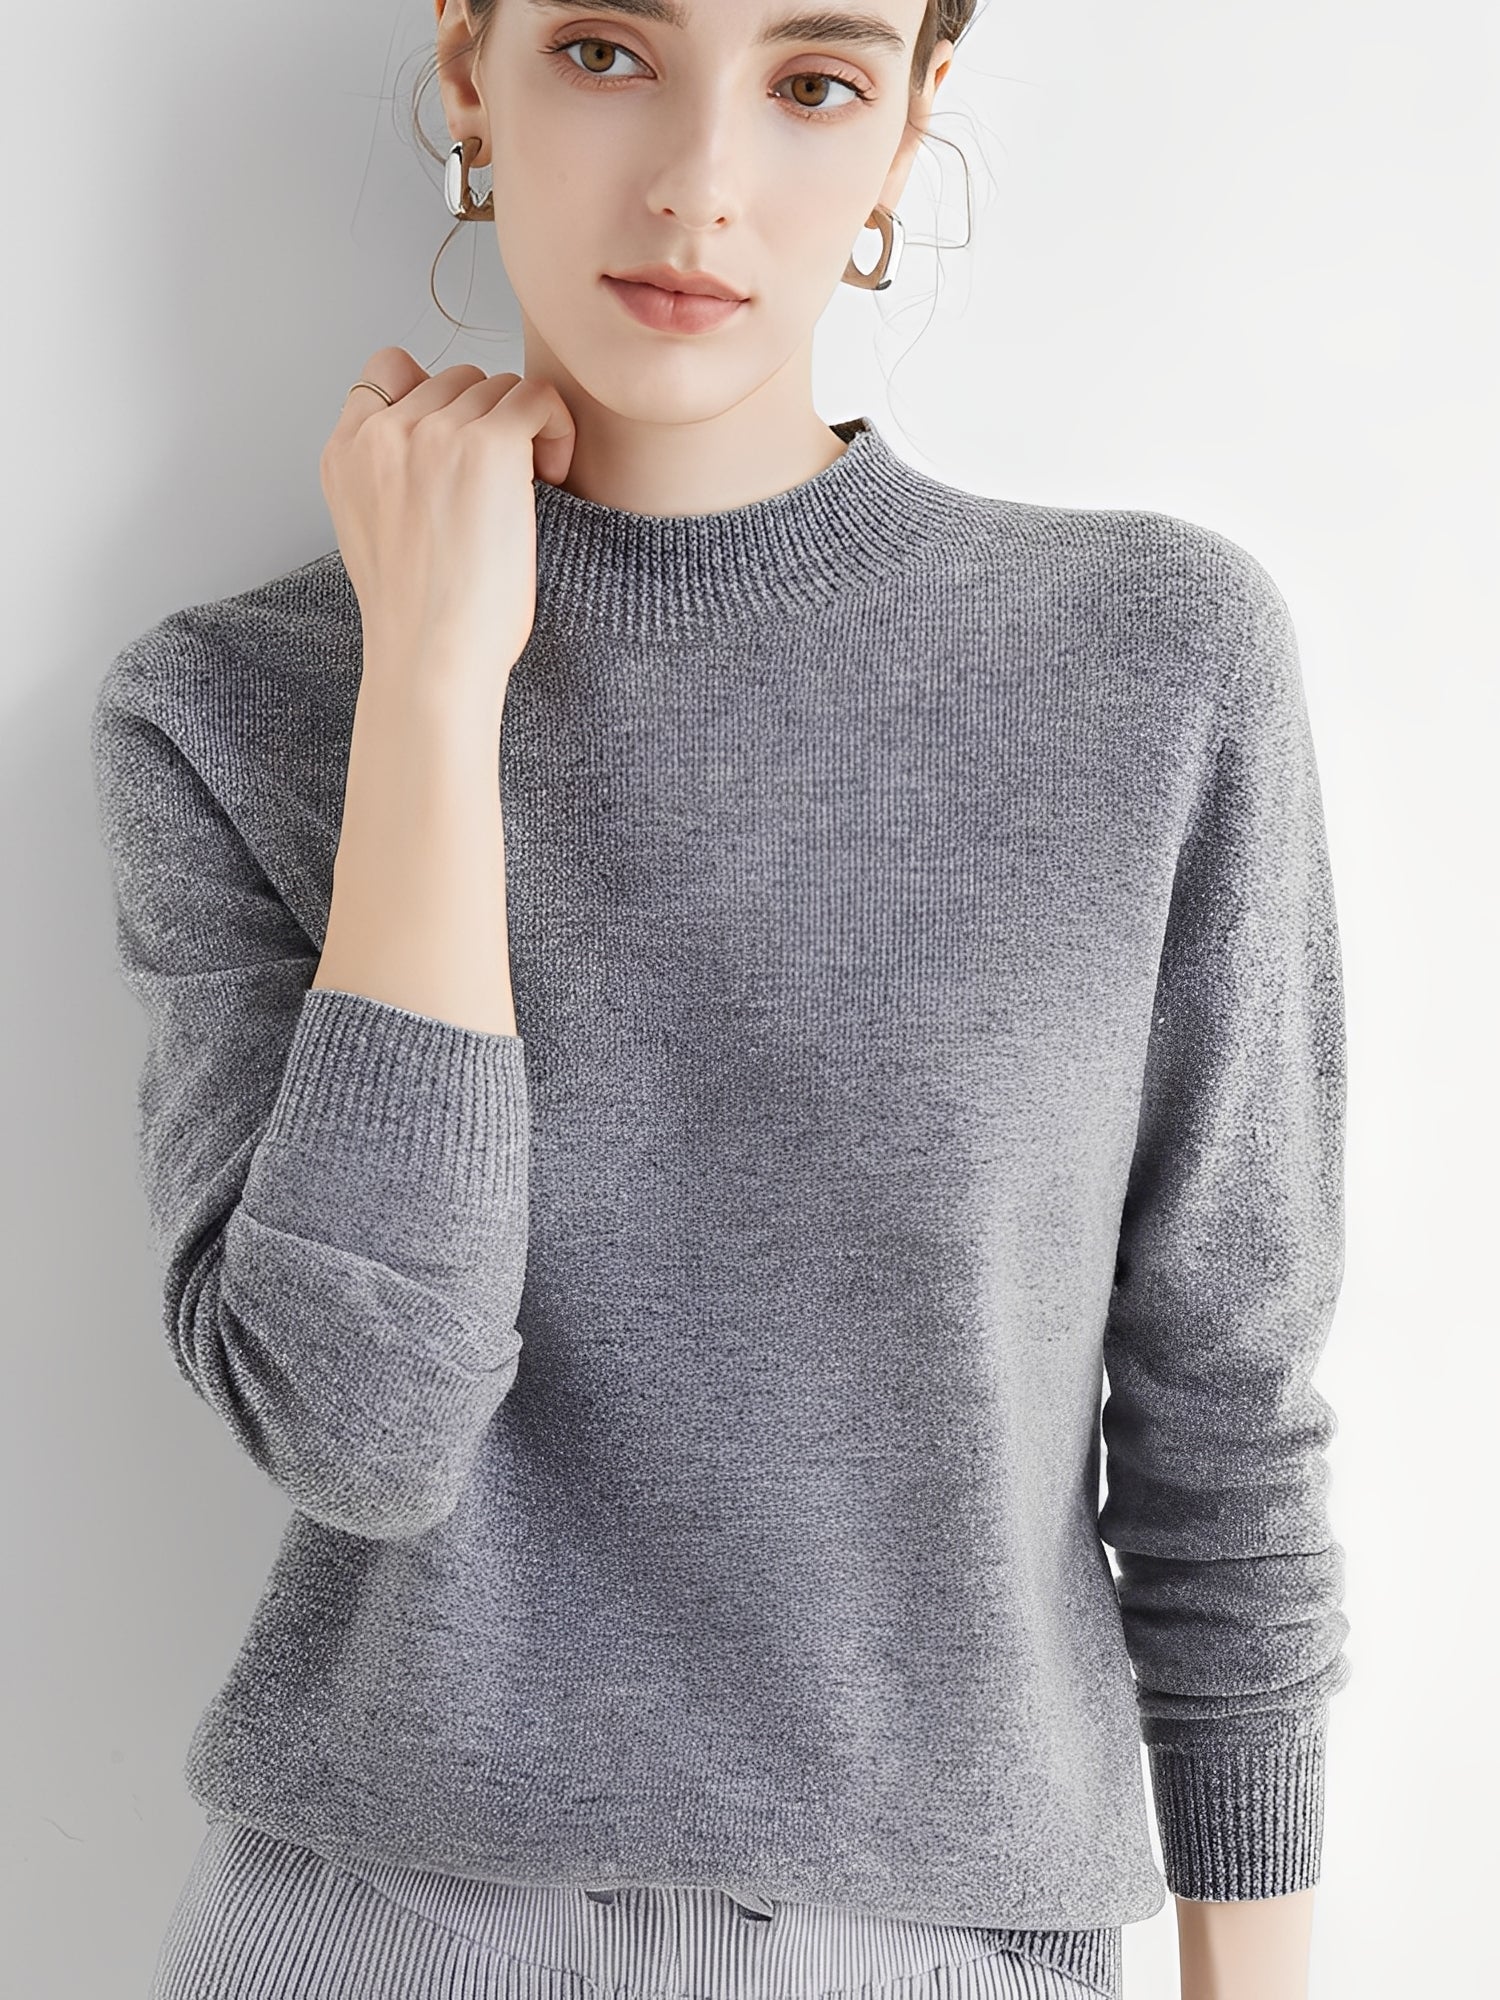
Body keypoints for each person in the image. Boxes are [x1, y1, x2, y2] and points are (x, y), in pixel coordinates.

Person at [88, 4, 1352, 1998]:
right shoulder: (233, 710)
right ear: (467, 65)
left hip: (944, 1952)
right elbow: (365, 1429)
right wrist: (432, 688)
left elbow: (1223, 1420)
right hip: (373, 1937)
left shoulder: (1154, 667)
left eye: (814, 80)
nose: (700, 183)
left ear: (911, 122)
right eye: (607, 50)